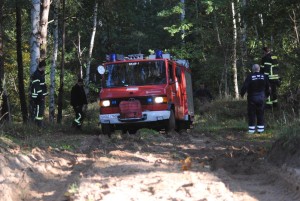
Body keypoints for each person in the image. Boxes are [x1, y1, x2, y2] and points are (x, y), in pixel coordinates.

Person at [240, 64, 270, 134]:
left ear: (253, 69)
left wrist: (242, 94)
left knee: (251, 114)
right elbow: (268, 87)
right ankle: (261, 130)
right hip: (261, 98)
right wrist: (267, 95)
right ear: (259, 69)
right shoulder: (264, 76)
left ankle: (251, 130)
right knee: (260, 113)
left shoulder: (250, 76)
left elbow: (245, 86)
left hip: (252, 98)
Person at [31, 60, 48, 127]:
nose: (45, 68)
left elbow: (42, 85)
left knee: (40, 110)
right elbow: (37, 86)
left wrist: (44, 94)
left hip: (40, 95)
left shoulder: (40, 74)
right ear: (42, 66)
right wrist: (40, 95)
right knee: (39, 110)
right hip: (37, 96)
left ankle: (39, 124)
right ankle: (38, 125)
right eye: (44, 67)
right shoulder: (36, 74)